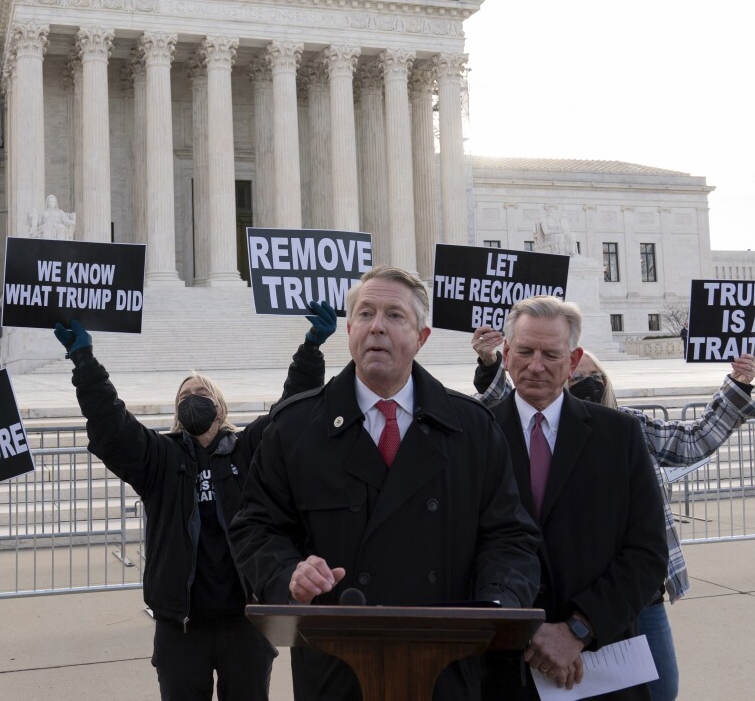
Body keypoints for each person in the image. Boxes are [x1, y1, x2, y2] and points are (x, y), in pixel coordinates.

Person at [230, 266, 542, 701]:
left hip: (446, 666)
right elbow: (256, 528)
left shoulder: (472, 430)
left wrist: (495, 608)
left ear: (422, 337)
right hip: (337, 670)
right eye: (365, 314)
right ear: (350, 328)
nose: (376, 326)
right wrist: (288, 576)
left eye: (394, 315)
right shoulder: (294, 428)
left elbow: (510, 537)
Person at [54, 301, 338, 700]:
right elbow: (111, 425)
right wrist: (83, 360)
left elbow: (288, 416)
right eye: (185, 395)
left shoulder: (249, 451)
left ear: (220, 407)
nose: (193, 396)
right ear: (177, 412)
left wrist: (310, 351)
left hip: (246, 621)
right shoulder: (160, 458)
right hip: (180, 627)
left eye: (201, 392)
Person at [472, 330, 755, 701]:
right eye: (578, 380)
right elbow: (507, 401)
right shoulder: (504, 430)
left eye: (590, 378)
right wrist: (489, 365)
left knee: (660, 690)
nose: (582, 385)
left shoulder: (626, 428)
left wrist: (737, 385)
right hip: (550, 603)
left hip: (635, 598)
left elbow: (693, 441)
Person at [475, 296, 667, 700]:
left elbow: (647, 552)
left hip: (601, 665)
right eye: (525, 351)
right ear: (506, 354)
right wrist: (525, 630)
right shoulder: (473, 436)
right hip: (504, 668)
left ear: (574, 358)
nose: (536, 365)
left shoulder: (619, 436)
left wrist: (579, 630)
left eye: (551, 353)